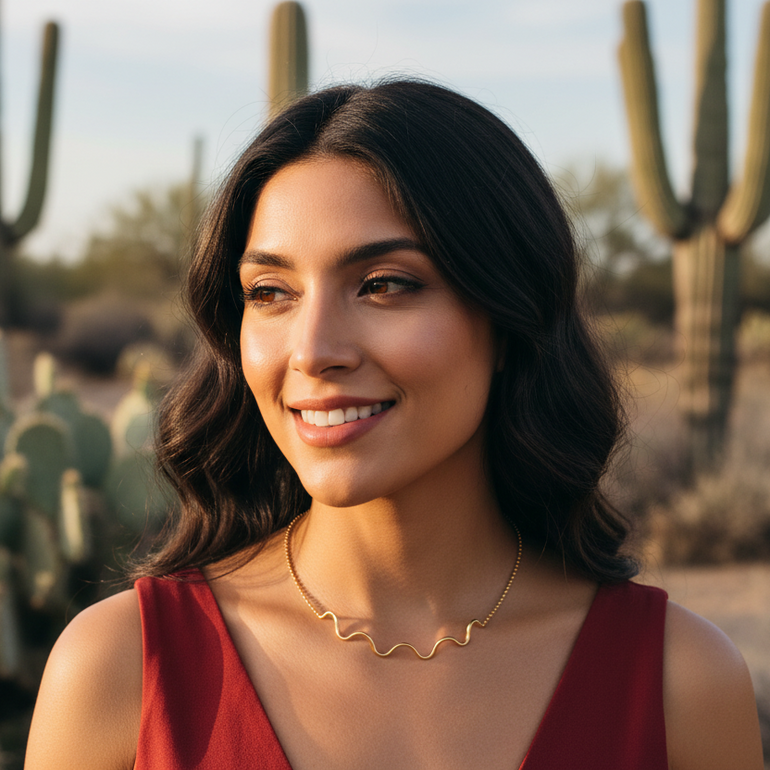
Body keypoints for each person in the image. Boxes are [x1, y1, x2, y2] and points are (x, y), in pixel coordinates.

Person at [25, 80, 763, 770]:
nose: (312, 350)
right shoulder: (122, 667)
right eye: (270, 292)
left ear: (509, 318)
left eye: (384, 285)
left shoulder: (681, 682)